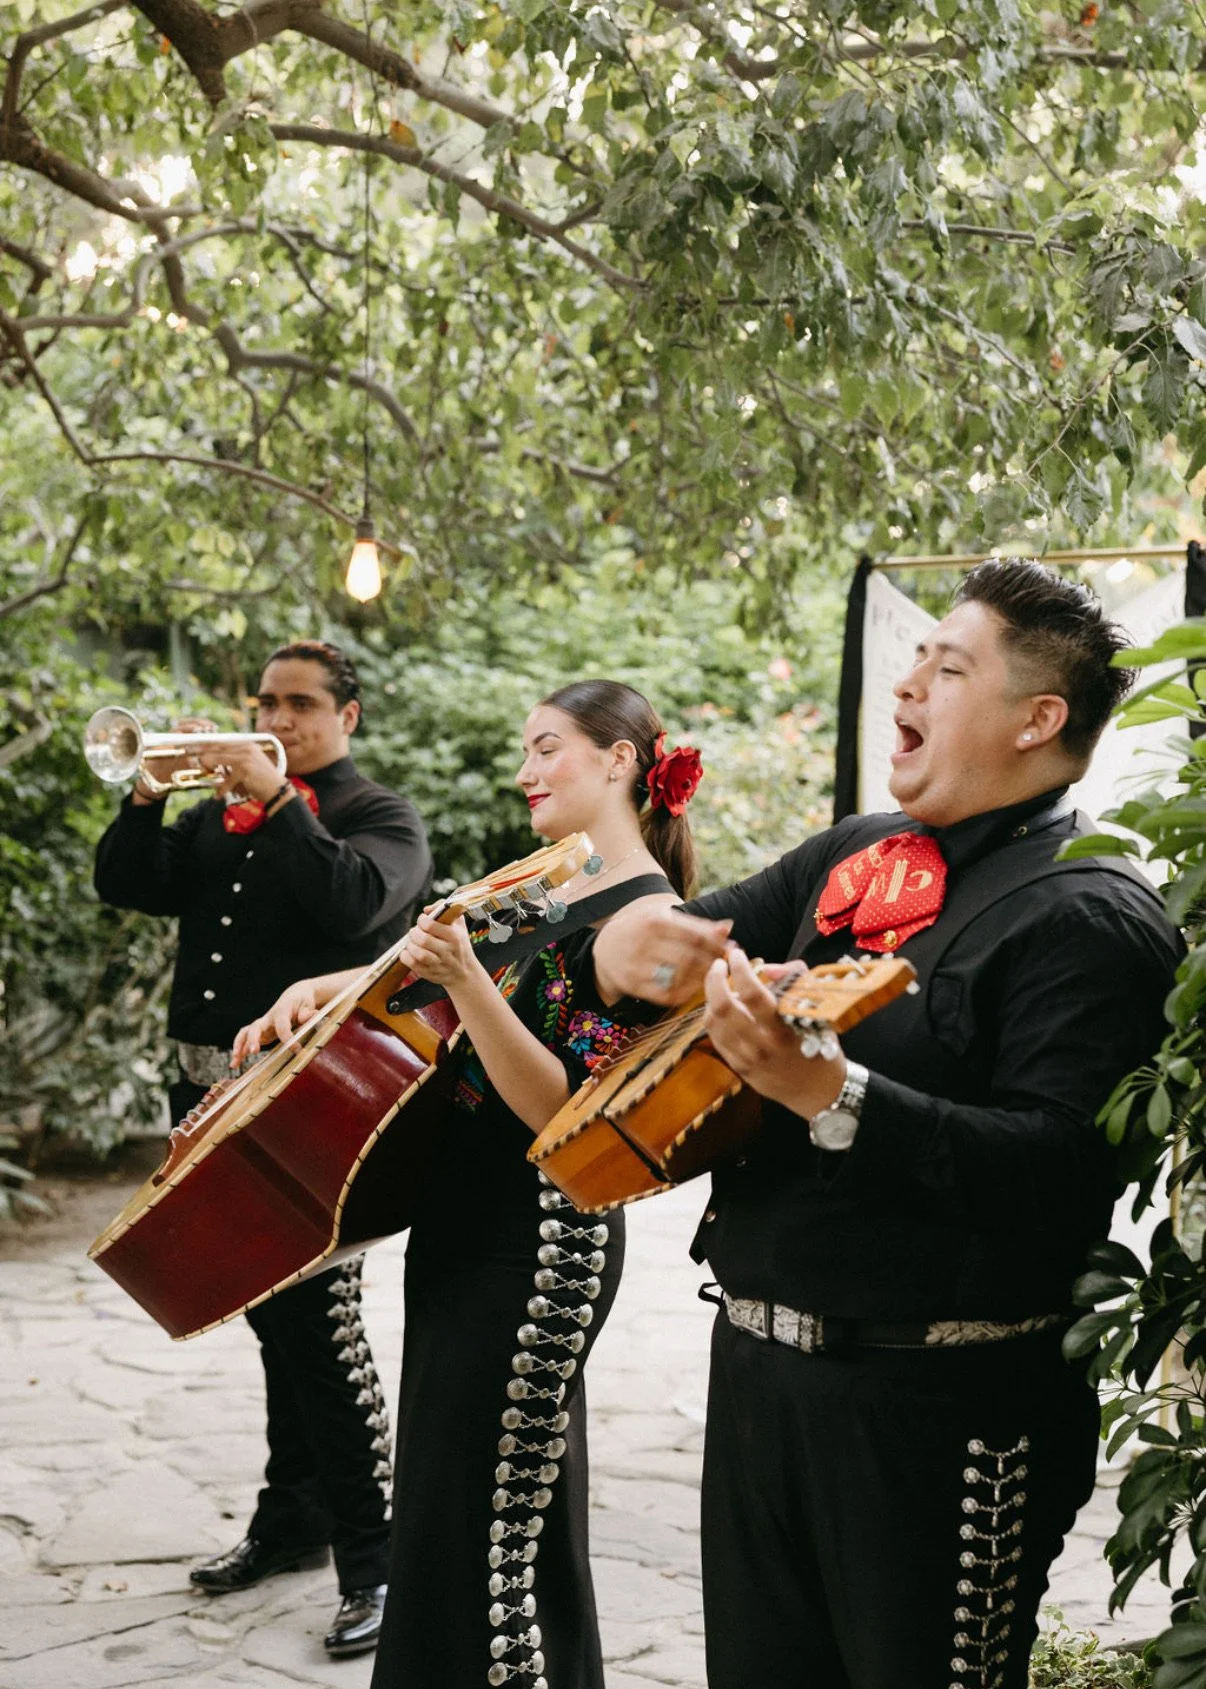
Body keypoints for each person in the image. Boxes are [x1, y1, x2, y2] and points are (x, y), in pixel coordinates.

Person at [591, 561, 1184, 1689]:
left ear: (1039, 719)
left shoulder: (1094, 912)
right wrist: (621, 943)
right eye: (914, 657)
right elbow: (682, 935)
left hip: (944, 1413)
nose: (908, 681)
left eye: (947, 666)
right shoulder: (852, 853)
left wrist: (833, 1095)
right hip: (759, 1374)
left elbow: (1060, 1175)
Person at [234, 679, 701, 1689]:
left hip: (539, 1242)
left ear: (620, 762)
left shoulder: (646, 918)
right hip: (464, 1223)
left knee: (484, 1530)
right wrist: (308, 994)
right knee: (485, 1513)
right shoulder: (545, 883)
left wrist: (468, 983)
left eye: (547, 749)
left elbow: (562, 1115)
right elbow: (401, 974)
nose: (525, 771)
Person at [93, 639, 432, 1658]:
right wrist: (146, 798)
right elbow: (127, 885)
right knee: (269, 1319)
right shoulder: (218, 818)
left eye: (298, 704)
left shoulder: (381, 818)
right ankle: (294, 1522)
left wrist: (282, 802)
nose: (275, 719)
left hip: (308, 1109)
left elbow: (356, 908)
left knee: (321, 1329)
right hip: (198, 1093)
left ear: (348, 718)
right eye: (264, 702)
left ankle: (377, 1562)